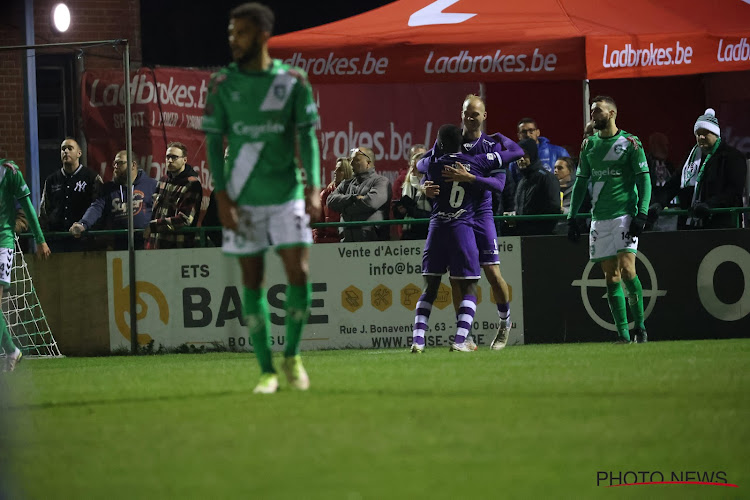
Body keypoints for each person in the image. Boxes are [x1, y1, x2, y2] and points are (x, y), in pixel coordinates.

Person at [202, 2, 321, 394]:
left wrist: (314, 187)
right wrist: (220, 197)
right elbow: (212, 140)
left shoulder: (293, 81)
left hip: (287, 194)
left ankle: (292, 355)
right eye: (231, 33)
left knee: (299, 273)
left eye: (242, 32)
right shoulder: (221, 84)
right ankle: (266, 371)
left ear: (264, 35)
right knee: (252, 280)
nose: (234, 40)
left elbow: (307, 136)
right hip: (242, 197)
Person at [418, 94, 523, 350]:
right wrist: (424, 188)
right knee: (457, 277)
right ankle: (464, 335)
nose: (469, 117)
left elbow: (498, 185)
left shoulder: (491, 147)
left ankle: (504, 322)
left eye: (474, 113)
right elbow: (425, 164)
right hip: (456, 218)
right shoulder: (451, 139)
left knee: (492, 272)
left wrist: (471, 179)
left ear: (484, 116)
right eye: (466, 112)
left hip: (481, 215)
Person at [567, 96, 651, 344]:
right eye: (592, 111)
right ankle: (624, 336)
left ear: (612, 113)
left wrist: (642, 212)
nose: (593, 114)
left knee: (627, 269)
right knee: (610, 276)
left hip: (624, 215)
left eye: (598, 110)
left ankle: (641, 328)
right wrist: (572, 217)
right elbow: (581, 183)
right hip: (599, 219)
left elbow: (643, 179)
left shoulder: (631, 143)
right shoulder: (588, 145)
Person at [410, 124, 498, 353]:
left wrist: (422, 187)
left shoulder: (432, 164)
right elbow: (503, 169)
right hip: (462, 229)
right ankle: (460, 339)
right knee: (469, 287)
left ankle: (418, 340)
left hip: (437, 228)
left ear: (438, 144)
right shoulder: (477, 163)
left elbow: (418, 165)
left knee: (430, 287)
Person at [649, 109, 746, 230]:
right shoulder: (691, 157)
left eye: (705, 133)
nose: (701, 137)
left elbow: (733, 191)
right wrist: (659, 203)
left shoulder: (732, 157)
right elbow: (673, 184)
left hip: (721, 225)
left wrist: (709, 205)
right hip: (689, 224)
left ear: (716, 134)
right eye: (698, 134)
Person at [0, 159, 51, 372]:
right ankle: (12, 350)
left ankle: (11, 351)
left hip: (3, 242)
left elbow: (28, 206)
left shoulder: (9, 172)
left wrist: (40, 239)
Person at [69, 150, 157, 250]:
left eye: (119, 163)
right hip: (118, 244)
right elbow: (96, 207)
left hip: (147, 243)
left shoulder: (152, 185)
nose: (115, 166)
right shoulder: (108, 189)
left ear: (133, 165)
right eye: (114, 163)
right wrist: (83, 224)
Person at [39, 138, 102, 252]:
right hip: (56, 240)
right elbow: (44, 211)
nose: (66, 151)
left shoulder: (92, 177)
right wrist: (42, 239)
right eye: (63, 149)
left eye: (70, 148)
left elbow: (99, 207)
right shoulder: (51, 180)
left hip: (84, 241)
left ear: (79, 153)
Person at [144, 142, 203, 249]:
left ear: (184, 160)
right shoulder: (163, 180)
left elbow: (184, 220)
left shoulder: (192, 184)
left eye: (174, 157)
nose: (170, 160)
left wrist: (154, 225)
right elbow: (154, 212)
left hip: (177, 247)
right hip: (155, 245)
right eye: (168, 157)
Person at [326, 147, 391, 242]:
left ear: (368, 163)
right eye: (351, 160)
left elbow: (370, 203)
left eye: (356, 160)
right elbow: (330, 200)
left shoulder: (381, 182)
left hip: (374, 245)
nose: (351, 163)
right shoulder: (346, 183)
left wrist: (344, 209)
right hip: (347, 244)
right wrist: (353, 198)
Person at [512, 138, 561, 236]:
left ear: (532, 154)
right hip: (523, 237)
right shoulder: (522, 181)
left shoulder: (546, 178)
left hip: (542, 238)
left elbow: (554, 209)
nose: (521, 159)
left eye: (524, 154)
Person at [313, 157, 353, 243]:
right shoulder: (326, 194)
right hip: (329, 244)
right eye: (335, 169)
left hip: (348, 245)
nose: (335, 172)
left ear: (347, 173)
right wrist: (319, 243)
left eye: (339, 170)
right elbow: (319, 225)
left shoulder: (354, 194)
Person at [395, 151, 431, 240]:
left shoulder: (432, 184)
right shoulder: (406, 184)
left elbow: (435, 211)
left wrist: (410, 209)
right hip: (409, 232)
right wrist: (400, 210)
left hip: (427, 230)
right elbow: (397, 214)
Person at [554, 156, 590, 235]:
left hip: (575, 231)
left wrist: (563, 210)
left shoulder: (578, 189)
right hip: (554, 232)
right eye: (555, 168)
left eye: (560, 168)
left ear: (570, 170)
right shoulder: (552, 188)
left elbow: (581, 210)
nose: (556, 171)